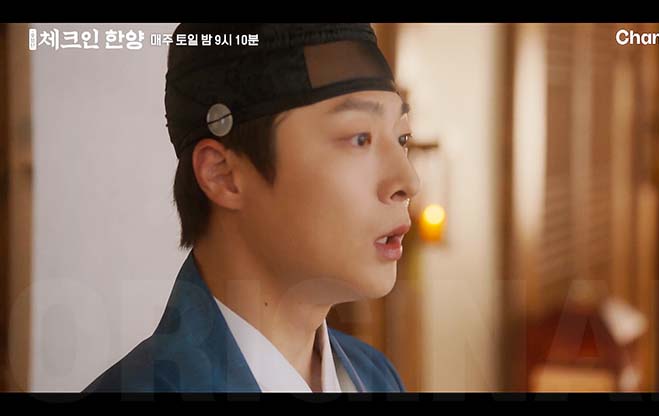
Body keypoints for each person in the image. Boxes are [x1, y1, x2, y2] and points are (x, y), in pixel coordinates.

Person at [84, 23, 420, 393]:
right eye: (359, 139)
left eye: (402, 138)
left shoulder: (376, 377)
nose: (408, 182)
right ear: (223, 174)